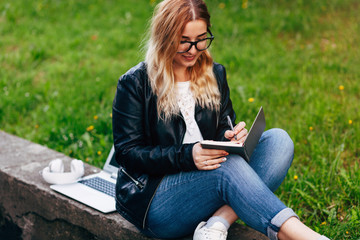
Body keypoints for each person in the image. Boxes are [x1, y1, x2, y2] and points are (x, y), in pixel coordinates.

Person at [112, 0, 330, 239]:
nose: (194, 49)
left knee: (279, 141)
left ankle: (217, 223)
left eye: (201, 39)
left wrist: (230, 138)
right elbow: (128, 153)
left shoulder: (214, 74)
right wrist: (188, 155)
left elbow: (220, 134)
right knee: (227, 166)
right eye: (184, 40)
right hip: (157, 202)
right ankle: (306, 236)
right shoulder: (136, 83)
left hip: (209, 184)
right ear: (165, 36)